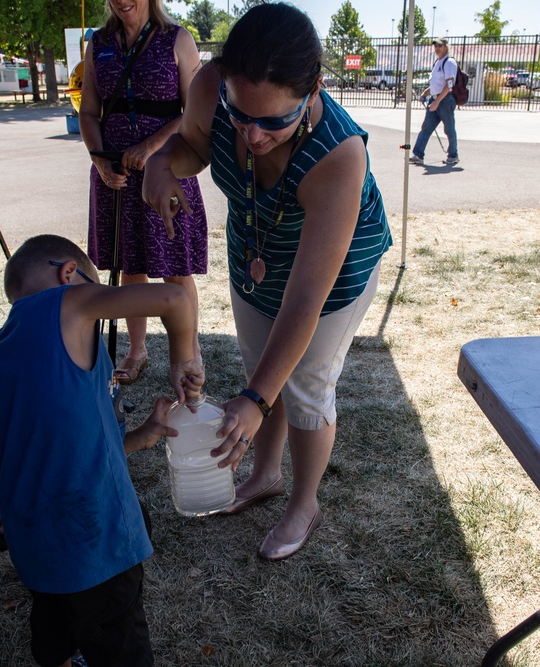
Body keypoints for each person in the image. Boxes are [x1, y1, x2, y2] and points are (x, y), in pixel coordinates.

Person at [142, 3, 393, 561]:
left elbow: (306, 298)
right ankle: (266, 475)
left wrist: (255, 399)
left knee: (303, 386)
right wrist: (163, 162)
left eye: (273, 121)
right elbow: (192, 145)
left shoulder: (338, 155)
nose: (252, 136)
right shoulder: (210, 87)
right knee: (262, 366)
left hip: (334, 271)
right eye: (240, 113)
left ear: (314, 89)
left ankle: (304, 501)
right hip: (255, 245)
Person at [0, 234, 212, 667]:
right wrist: (183, 361)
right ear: (69, 274)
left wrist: (140, 434)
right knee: (118, 637)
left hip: (32, 531)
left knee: (55, 611)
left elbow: (63, 443)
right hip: (95, 535)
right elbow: (176, 298)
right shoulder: (69, 303)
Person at [79, 0, 207, 386]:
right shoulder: (98, 43)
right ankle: (137, 350)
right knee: (128, 265)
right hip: (114, 171)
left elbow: (193, 111)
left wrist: (151, 147)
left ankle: (190, 351)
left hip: (168, 166)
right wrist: (100, 161)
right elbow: (88, 112)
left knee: (176, 267)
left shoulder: (177, 38)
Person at [410, 38, 459, 167]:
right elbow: (437, 83)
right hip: (435, 99)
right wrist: (427, 92)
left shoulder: (449, 62)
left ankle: (453, 155)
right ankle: (418, 154)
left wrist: (437, 101)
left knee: (449, 129)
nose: (437, 48)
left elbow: (448, 85)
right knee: (426, 128)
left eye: (439, 45)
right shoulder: (437, 62)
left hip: (445, 100)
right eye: (435, 46)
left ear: (446, 47)